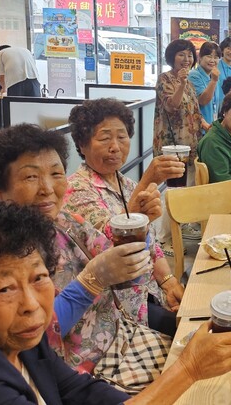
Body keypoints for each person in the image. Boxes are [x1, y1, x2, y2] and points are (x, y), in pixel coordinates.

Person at [0, 199, 231, 404]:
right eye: (4, 289)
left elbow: (80, 391)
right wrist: (189, 368)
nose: (32, 305)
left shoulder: (24, 344)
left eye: (39, 278)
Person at [0, 123, 151, 373]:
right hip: (78, 374)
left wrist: (141, 229)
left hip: (123, 343)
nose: (47, 189)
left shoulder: (67, 222)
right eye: (31, 177)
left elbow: (128, 276)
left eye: (56, 174)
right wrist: (91, 281)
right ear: (0, 191)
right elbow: (32, 338)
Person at [64, 98, 185, 336]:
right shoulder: (75, 189)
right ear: (82, 144)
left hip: (148, 292)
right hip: (113, 306)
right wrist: (148, 180)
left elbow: (151, 243)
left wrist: (168, 281)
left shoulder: (126, 184)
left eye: (122, 136)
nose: (115, 147)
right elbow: (107, 245)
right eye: (104, 138)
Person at [153, 40, 203, 181]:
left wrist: (207, 125)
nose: (187, 59)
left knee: (190, 182)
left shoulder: (189, 83)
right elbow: (172, 105)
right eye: (181, 55)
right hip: (171, 144)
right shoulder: (164, 79)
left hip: (190, 143)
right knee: (174, 183)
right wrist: (181, 85)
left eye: (190, 55)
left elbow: (193, 111)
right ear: (172, 57)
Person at [188, 40, 221, 129]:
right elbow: (203, 101)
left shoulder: (213, 75)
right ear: (200, 57)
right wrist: (213, 81)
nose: (212, 60)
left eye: (216, 57)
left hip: (211, 126)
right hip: (199, 128)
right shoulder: (193, 75)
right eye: (209, 56)